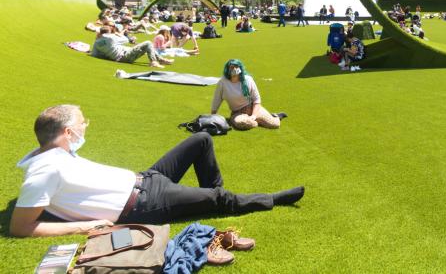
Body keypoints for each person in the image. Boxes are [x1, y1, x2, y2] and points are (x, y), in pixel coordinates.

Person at [10, 105, 303, 238]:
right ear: (67, 132)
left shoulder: (53, 153)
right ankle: (266, 200)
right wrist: (84, 226)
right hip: (144, 204)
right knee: (216, 197)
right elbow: (20, 227)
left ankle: (212, 197)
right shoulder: (45, 170)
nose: (85, 127)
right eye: (82, 124)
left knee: (201, 139)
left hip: (147, 178)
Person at [211, 60, 286, 130]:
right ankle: (255, 121)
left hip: (253, 108)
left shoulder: (248, 79)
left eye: (236, 67)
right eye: (232, 67)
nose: (234, 69)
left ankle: (275, 116)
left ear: (240, 68)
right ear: (227, 69)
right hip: (238, 113)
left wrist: (254, 115)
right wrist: (213, 116)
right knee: (241, 123)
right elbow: (217, 99)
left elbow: (257, 99)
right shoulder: (223, 82)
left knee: (275, 125)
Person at [91, 26, 172, 68]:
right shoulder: (111, 37)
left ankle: (161, 60)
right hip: (124, 57)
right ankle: (154, 62)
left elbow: (94, 54)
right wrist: (118, 34)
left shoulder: (96, 42)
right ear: (109, 31)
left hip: (120, 57)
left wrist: (108, 56)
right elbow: (126, 40)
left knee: (147, 46)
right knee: (148, 43)